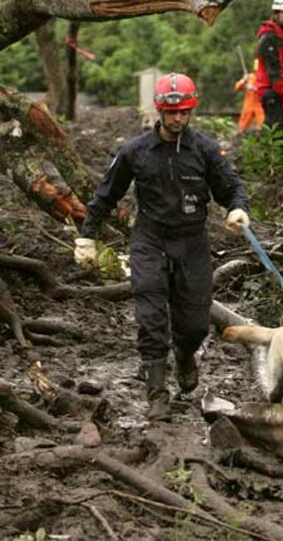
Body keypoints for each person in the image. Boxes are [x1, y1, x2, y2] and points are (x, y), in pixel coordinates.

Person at [73, 73, 250, 421]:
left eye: (184, 112)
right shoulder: (134, 151)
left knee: (195, 324)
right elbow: (106, 194)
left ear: (191, 111)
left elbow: (231, 186)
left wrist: (237, 208)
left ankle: (185, 355)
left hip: (193, 241)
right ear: (159, 112)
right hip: (150, 240)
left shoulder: (205, 149)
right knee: (151, 317)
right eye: (172, 113)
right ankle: (156, 393)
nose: (178, 119)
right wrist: (87, 236)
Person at [256, 0, 283, 139]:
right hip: (271, 91)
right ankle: (270, 160)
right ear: (276, 13)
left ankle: (273, 159)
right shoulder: (269, 37)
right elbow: (274, 73)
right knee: (277, 132)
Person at [234, 59, 265, 133]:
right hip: (248, 104)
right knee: (242, 126)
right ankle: (239, 137)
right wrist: (243, 81)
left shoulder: (264, 78)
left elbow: (265, 90)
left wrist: (254, 88)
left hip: (259, 104)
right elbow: (237, 87)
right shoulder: (249, 77)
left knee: (263, 125)